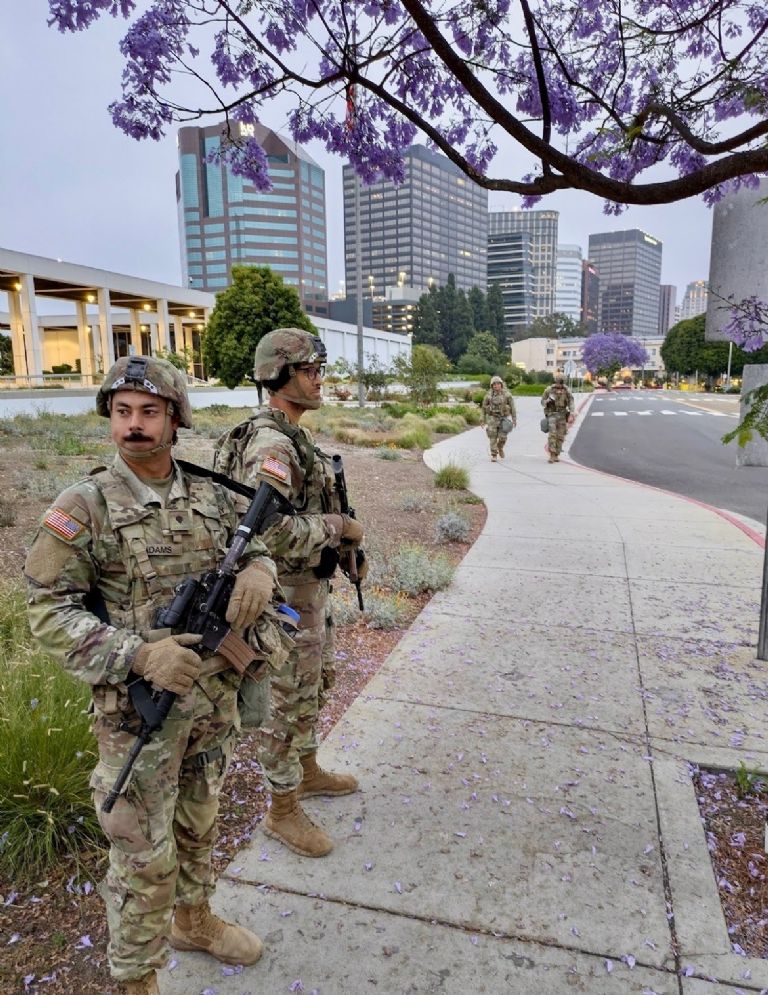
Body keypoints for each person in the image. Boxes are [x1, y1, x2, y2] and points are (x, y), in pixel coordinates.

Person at [24, 356, 282, 995]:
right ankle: (135, 978)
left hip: (211, 707)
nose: (133, 427)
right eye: (121, 413)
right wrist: (138, 655)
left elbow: (256, 545)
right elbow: (45, 611)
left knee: (199, 827)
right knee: (144, 862)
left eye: (148, 412)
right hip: (139, 716)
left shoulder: (214, 494)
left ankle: (193, 922)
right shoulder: (84, 504)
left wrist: (259, 572)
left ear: (174, 418)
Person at [213, 328, 365, 858]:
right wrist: (338, 527)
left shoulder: (291, 434)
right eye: (310, 370)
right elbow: (263, 532)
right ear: (279, 376)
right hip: (281, 598)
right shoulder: (272, 444)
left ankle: (306, 770)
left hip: (307, 590)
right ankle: (282, 810)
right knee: (285, 701)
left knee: (310, 688)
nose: (320, 380)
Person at [541, 373, 575, 463]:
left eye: (561, 382)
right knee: (552, 434)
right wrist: (547, 401)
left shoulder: (567, 390)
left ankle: (557, 454)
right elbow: (542, 401)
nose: (559, 384)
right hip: (552, 414)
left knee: (561, 436)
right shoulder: (549, 390)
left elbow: (571, 401)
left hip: (562, 415)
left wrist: (572, 413)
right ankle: (552, 454)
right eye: (558, 381)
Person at [482, 375, 517, 461]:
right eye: (494, 384)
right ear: (491, 386)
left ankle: (500, 447)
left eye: (498, 384)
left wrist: (514, 419)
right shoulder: (488, 396)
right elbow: (483, 408)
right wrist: (482, 420)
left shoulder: (507, 395)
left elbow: (513, 407)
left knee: (503, 437)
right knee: (492, 437)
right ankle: (494, 454)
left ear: (501, 385)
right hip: (492, 418)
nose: (496, 386)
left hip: (503, 418)